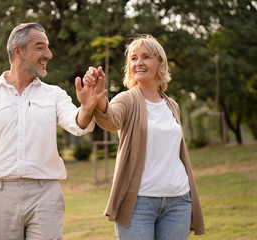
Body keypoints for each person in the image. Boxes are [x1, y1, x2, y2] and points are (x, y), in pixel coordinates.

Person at [0, 22, 106, 240]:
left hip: (46, 196)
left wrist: (87, 107)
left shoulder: (54, 94)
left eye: (48, 47)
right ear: (18, 51)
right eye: (40, 47)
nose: (49, 54)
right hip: (0, 196)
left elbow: (76, 123)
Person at [83, 34, 205, 239]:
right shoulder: (127, 99)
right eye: (133, 58)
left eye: (146, 56)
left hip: (178, 200)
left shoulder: (171, 105)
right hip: (138, 203)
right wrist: (99, 97)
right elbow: (110, 120)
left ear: (160, 63)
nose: (138, 62)